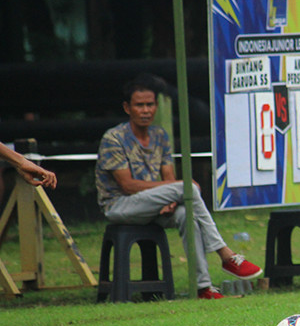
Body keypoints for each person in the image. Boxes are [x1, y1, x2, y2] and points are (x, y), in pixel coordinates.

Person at [95, 74, 262, 299]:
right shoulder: (113, 138)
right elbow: (127, 185)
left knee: (186, 214)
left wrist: (172, 200)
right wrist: (174, 191)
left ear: (156, 106)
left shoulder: (159, 136)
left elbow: (169, 177)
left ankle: (203, 287)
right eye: (139, 105)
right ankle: (225, 254)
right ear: (127, 108)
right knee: (189, 188)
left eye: (150, 105)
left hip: (150, 205)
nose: (145, 110)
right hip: (120, 205)